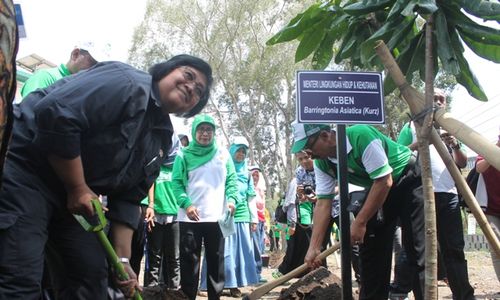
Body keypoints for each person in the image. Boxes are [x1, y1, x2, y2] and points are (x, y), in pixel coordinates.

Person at [0, 55, 213, 299]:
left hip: (72, 195)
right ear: (166, 71)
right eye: (188, 75)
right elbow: (56, 115)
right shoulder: (127, 83)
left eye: (199, 91)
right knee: (19, 275)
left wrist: (122, 260)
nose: (190, 87)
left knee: (89, 278)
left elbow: (129, 197)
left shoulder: (161, 139)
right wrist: (78, 186)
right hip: (26, 168)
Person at [292, 122, 426, 300]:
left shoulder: (360, 136)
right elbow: (323, 202)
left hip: (407, 179)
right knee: (371, 249)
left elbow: (384, 180)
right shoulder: (322, 163)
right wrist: (314, 247)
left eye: (309, 147)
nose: (308, 154)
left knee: (415, 248)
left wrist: (360, 222)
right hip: (376, 187)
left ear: (325, 136)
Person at [396, 89, 475, 299]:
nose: (439, 102)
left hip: (448, 195)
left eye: (442, 99)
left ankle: (464, 295)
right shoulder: (411, 127)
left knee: (455, 250)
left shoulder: (453, 128)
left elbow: (462, 162)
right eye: (435, 98)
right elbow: (399, 156)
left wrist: (454, 144)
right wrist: (425, 141)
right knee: (419, 252)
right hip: (419, 197)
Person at [172, 114, 238, 300]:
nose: (205, 134)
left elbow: (232, 181)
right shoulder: (183, 154)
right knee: (189, 262)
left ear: (214, 132)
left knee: (216, 261)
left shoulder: (223, 154)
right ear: (194, 132)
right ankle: (188, 296)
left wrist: (232, 200)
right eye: (201, 129)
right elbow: (176, 183)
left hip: (217, 217)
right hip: (189, 217)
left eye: (209, 130)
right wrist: (187, 204)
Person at [200, 137, 259, 297]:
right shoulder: (222, 168)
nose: (240, 154)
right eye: (238, 150)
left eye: (243, 152)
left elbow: (250, 198)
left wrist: (254, 219)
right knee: (218, 251)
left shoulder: (247, 174)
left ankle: (234, 286)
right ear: (231, 151)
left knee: (239, 254)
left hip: (242, 217)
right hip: (223, 216)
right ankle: (206, 285)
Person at [140, 134, 183, 297]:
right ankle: (152, 289)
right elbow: (149, 185)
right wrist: (149, 207)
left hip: (175, 216)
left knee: (174, 256)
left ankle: (173, 290)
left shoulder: (179, 166)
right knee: (154, 254)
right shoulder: (155, 165)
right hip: (156, 215)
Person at [273, 151, 315, 279]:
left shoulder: (314, 181)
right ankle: (283, 271)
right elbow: (291, 203)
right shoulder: (295, 182)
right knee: (293, 248)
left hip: (309, 221)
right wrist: (292, 224)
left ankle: (306, 272)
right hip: (298, 221)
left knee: (304, 248)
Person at [20, 42, 100, 98]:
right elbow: (30, 113)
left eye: (99, 66)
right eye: (92, 62)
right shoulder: (45, 77)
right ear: (75, 54)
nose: (95, 69)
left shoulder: (84, 88)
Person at [475, 133, 500, 282]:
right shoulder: (487, 148)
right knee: (496, 246)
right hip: (490, 208)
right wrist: (496, 147)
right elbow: (479, 168)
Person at [249, 165, 268, 283]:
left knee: (260, 248)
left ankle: (257, 273)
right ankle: (255, 274)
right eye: (253, 175)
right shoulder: (249, 189)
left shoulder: (261, 190)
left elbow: (263, 206)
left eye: (257, 175)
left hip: (261, 220)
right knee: (255, 247)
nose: (255, 177)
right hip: (253, 221)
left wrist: (265, 221)